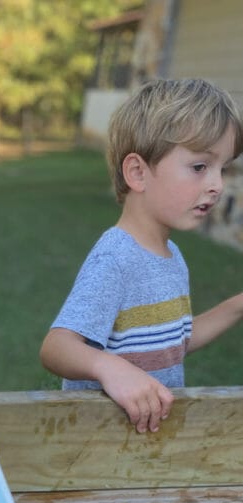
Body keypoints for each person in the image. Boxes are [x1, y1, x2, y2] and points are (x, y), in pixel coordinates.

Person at [40, 78, 243, 434]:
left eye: (221, 169)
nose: (217, 185)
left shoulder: (171, 256)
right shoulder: (116, 257)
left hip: (144, 447)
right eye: (200, 167)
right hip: (97, 447)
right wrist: (110, 368)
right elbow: (56, 348)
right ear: (137, 173)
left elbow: (172, 343)